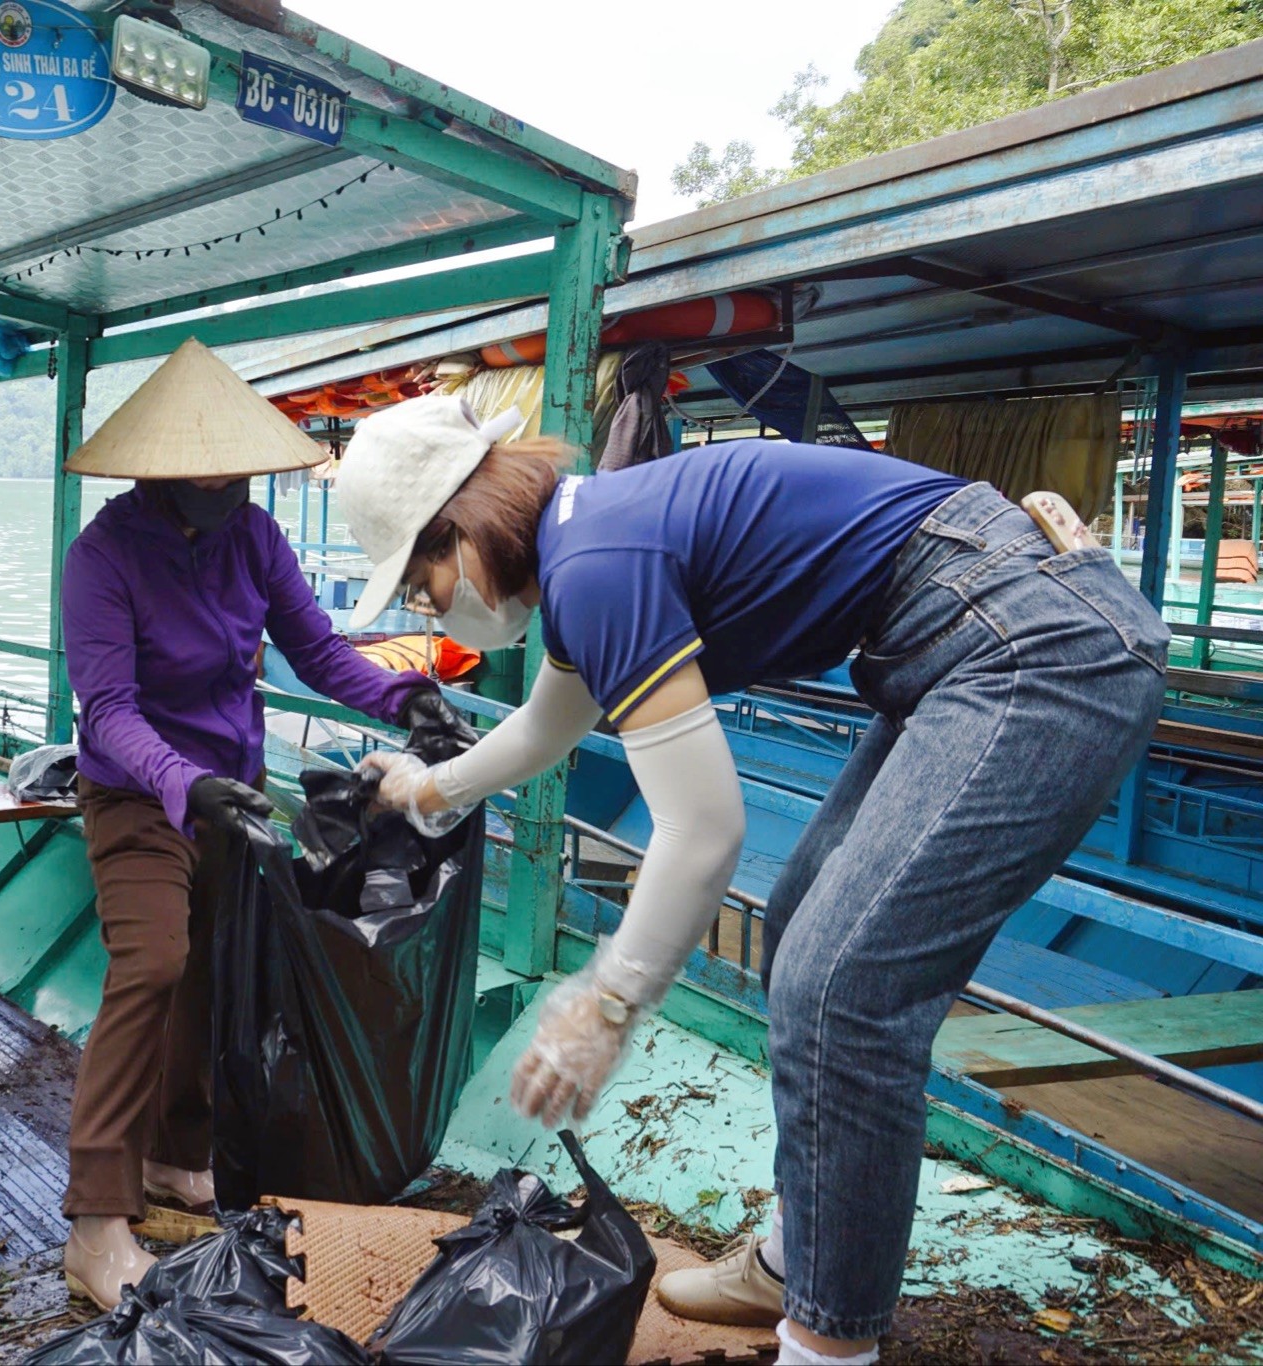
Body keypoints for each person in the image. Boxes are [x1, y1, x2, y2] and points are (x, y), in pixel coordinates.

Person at [336, 394, 1168, 1366]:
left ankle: (825, 1346)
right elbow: (548, 724)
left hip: (1035, 646)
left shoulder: (598, 563)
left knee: (841, 986)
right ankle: (798, 1258)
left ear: (461, 527)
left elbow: (700, 829)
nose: (432, 607)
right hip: (964, 638)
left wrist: (605, 1003)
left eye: (422, 581)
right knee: (801, 926)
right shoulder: (584, 547)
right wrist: (431, 787)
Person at [56, 340, 475, 1309]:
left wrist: (403, 698)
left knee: (209, 973)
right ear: (157, 473)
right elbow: (108, 706)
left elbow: (318, 652)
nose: (225, 484)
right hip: (135, 791)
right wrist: (181, 782)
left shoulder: (254, 539)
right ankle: (93, 1219)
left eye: (236, 468)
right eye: (206, 471)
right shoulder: (102, 557)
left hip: (229, 790)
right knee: (152, 962)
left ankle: (173, 1154)